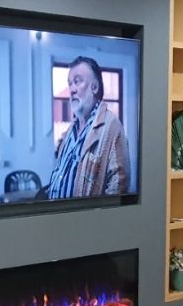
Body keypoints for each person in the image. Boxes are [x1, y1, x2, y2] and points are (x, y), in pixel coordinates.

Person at [48, 55, 130, 199]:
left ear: (95, 87)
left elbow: (118, 188)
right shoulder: (70, 130)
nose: (71, 89)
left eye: (77, 81)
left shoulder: (112, 127)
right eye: (70, 83)